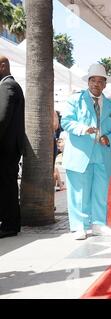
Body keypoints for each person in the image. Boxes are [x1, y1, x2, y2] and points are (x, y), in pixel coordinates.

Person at [60, 64, 111, 240]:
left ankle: (99, 224)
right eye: (93, 80)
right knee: (79, 192)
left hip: (102, 155)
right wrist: (83, 129)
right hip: (80, 154)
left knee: (100, 191)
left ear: (105, 84)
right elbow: (67, 122)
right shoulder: (75, 100)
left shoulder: (110, 104)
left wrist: (110, 139)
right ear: (88, 82)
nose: (96, 84)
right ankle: (80, 226)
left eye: (100, 81)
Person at [0, 55, 25, 239]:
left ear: (2, 67)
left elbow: (2, 118)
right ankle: (8, 222)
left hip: (6, 148)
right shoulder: (9, 85)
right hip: (8, 147)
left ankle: (9, 225)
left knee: (7, 185)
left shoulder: (7, 86)